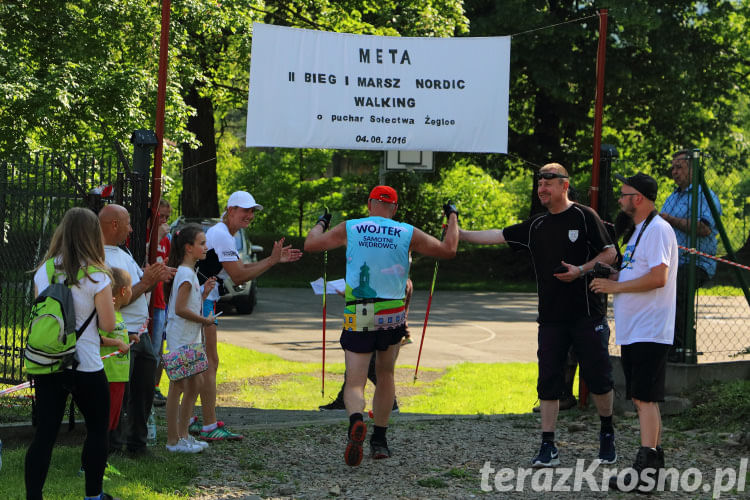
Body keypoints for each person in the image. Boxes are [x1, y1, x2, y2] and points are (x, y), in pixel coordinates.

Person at [459, 163, 619, 468]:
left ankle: (607, 434)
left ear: (564, 185)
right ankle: (548, 444)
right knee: (548, 380)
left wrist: (581, 271)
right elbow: (498, 235)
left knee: (599, 377)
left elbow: (610, 254)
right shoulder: (536, 225)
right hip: (551, 318)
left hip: (587, 313)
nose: (542, 189)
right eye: (539, 184)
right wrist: (461, 234)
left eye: (548, 183)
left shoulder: (585, 216)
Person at [304, 185, 458, 467]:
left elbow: (311, 245)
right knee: (385, 374)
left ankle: (355, 420)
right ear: (395, 209)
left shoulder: (351, 227)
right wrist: (452, 216)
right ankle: (380, 440)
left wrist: (322, 222)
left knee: (355, 379)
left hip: (360, 310)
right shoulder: (405, 231)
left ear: (369, 204)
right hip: (393, 312)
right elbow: (449, 250)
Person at [190, 190, 302, 441]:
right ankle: (208, 425)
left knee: (202, 360)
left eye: (252, 211)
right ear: (230, 211)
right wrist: (271, 261)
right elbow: (239, 276)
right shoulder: (222, 234)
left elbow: (238, 270)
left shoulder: (225, 233)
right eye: (245, 210)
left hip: (203, 299)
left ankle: (192, 418)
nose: (250, 215)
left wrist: (271, 261)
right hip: (202, 300)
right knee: (209, 360)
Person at [590, 172, 678, 492]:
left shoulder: (657, 230)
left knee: (645, 399)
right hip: (637, 328)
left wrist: (615, 285)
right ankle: (651, 467)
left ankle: (646, 471)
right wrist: (613, 274)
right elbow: (638, 273)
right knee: (644, 399)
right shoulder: (641, 231)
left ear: (638, 198)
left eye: (625, 194)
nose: (621, 199)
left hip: (650, 328)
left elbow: (658, 278)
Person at [25, 207, 118, 500]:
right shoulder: (97, 276)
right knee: (97, 429)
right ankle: (93, 495)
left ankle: (33, 496)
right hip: (86, 364)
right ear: (93, 235)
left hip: (49, 363)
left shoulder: (45, 270)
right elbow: (108, 324)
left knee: (45, 435)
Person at [99, 204, 175, 456]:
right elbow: (115, 299)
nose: (131, 228)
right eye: (128, 223)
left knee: (143, 392)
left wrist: (153, 276)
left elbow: (134, 285)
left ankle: (137, 444)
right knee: (119, 396)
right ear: (113, 225)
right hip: (120, 336)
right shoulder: (101, 257)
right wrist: (146, 281)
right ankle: (113, 446)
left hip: (138, 335)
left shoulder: (122, 252)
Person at [659, 150, 721, 362]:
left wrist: (670, 219)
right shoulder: (672, 196)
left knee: (680, 287)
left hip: (697, 262)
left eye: (680, 167)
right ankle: (666, 346)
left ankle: (684, 350)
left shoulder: (706, 196)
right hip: (671, 261)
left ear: (693, 170)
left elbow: (703, 228)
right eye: (673, 167)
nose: (674, 172)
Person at [319, 277, 413, 412]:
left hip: (375, 316)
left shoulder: (393, 276)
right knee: (358, 361)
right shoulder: (400, 275)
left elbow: (377, 295)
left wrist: (347, 294)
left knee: (370, 364)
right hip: (374, 314)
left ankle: (390, 403)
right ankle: (344, 402)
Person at [164, 224, 216, 453]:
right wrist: (205, 321)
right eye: (202, 243)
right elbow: (179, 309)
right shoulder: (185, 274)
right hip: (182, 338)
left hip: (189, 337)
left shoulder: (189, 273)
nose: (206, 247)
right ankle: (173, 440)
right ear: (188, 248)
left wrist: (202, 293)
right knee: (179, 386)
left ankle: (183, 435)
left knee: (196, 383)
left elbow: (187, 303)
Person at [99, 267, 138, 453]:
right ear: (123, 291)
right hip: (110, 376)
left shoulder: (118, 314)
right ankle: (97, 459)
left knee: (112, 420)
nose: (132, 291)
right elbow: (97, 338)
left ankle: (103, 458)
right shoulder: (108, 315)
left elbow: (115, 337)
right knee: (104, 421)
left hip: (119, 376)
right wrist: (116, 342)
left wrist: (127, 338)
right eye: (131, 288)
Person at [151, 199, 173, 406]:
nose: (165, 220)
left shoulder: (166, 240)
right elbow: (140, 259)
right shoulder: (145, 234)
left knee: (159, 348)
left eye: (168, 216)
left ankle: (154, 387)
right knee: (149, 349)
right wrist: (156, 235)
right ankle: (143, 388)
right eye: (162, 216)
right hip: (145, 299)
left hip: (160, 301)